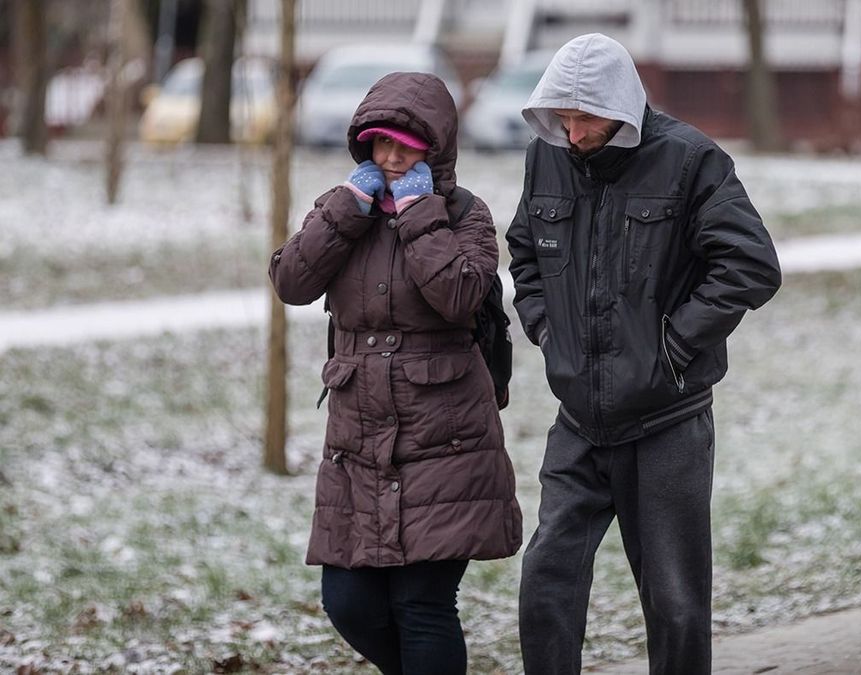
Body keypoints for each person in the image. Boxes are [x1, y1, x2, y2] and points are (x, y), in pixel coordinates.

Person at [507, 33, 782, 674]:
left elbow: (751, 265)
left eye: (586, 118)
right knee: (547, 577)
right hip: (578, 421)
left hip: (667, 422)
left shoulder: (689, 161)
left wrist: (676, 346)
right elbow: (524, 251)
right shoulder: (544, 158)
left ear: (623, 110)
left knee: (676, 603)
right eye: (562, 117)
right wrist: (548, 332)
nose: (572, 134)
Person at [269, 72, 521, 675]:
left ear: (435, 150)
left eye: (406, 147)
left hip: (445, 438)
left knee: (421, 603)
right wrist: (345, 211)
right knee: (350, 603)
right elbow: (292, 282)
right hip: (358, 442)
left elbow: (462, 295)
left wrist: (416, 215)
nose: (390, 158)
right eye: (380, 145)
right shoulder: (343, 208)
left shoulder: (465, 214)